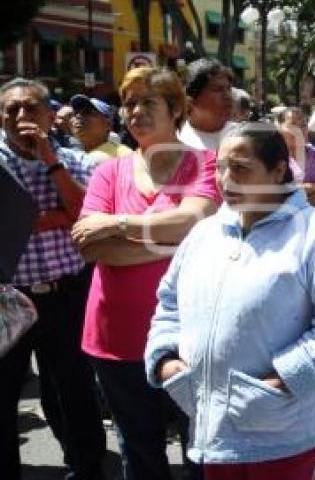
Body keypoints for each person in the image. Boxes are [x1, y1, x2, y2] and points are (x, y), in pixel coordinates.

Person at [145, 123, 315, 480]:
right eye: (219, 167)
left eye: (241, 168)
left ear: (278, 170)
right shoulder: (204, 234)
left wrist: (288, 377)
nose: (225, 180)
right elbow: (169, 301)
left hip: (282, 423)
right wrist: (165, 358)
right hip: (211, 423)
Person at [71, 66, 220, 480]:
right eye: (129, 103)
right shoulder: (109, 172)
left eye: (147, 101)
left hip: (190, 338)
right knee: (138, 451)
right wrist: (175, 245)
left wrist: (119, 225)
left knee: (202, 451)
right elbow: (91, 246)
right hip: (116, 337)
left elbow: (194, 219)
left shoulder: (204, 165)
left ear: (175, 110)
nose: (134, 111)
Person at [0, 78, 106, 480]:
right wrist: (53, 219)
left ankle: (87, 466)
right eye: (13, 110)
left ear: (49, 115)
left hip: (65, 293)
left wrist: (49, 158)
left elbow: (86, 214)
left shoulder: (74, 159)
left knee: (74, 389)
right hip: (8, 296)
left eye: (31, 108)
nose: (22, 117)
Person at [278, 106, 315, 207]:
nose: (300, 130)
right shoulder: (275, 158)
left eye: (303, 125)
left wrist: (293, 196)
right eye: (293, 125)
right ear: (280, 129)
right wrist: (310, 187)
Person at [179, 58, 237, 150]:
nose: (227, 96)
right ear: (191, 101)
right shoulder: (178, 144)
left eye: (228, 89)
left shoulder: (245, 138)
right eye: (217, 90)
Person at [70, 94, 132, 164]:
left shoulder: (123, 155)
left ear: (108, 125)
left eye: (87, 112)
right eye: (75, 113)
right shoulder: (74, 155)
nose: (78, 116)